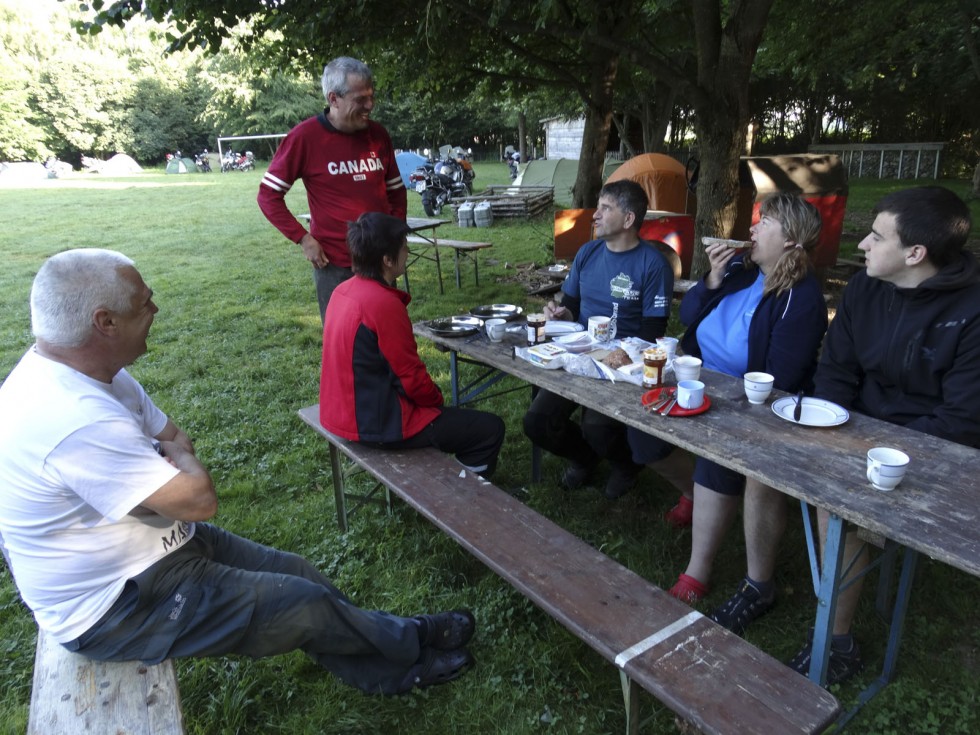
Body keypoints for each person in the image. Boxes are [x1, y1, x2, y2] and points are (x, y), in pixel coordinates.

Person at [0, 248, 475, 696]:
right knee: (301, 606)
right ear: (104, 322)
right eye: (145, 303)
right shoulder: (70, 416)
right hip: (116, 603)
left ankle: (385, 662)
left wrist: (166, 468)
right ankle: (409, 645)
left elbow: (176, 438)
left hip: (161, 548)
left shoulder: (101, 373)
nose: (157, 309)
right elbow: (198, 497)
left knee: (297, 574)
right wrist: (171, 468)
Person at [787, 185, 980, 685]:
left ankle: (838, 641)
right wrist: (830, 427)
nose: (862, 246)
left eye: (875, 236)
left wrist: (867, 455)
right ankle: (755, 585)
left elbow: (962, 420)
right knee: (767, 467)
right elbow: (835, 372)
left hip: (933, 451)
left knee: (834, 500)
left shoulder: (973, 311)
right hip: (858, 426)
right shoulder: (865, 288)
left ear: (915, 254)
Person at [629, 194, 828, 627]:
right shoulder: (741, 272)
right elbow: (690, 316)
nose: (752, 229)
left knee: (719, 460)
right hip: (695, 374)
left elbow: (782, 376)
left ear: (792, 240)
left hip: (741, 398)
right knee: (641, 434)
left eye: (765, 223)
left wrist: (727, 397)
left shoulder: (801, 297)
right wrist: (713, 279)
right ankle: (691, 495)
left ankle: (697, 571)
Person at [522, 179, 675, 500]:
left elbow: (653, 332)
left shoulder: (653, 264)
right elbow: (572, 306)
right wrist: (560, 314)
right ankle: (584, 458)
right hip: (580, 354)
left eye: (605, 209)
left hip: (623, 364)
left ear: (629, 219)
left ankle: (625, 465)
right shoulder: (588, 253)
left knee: (597, 429)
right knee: (537, 422)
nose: (595, 215)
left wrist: (616, 353)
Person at [320, 213, 505, 477]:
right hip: (375, 425)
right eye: (403, 246)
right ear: (386, 260)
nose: (407, 251)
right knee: (490, 429)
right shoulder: (382, 305)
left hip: (340, 413)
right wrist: (436, 403)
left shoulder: (342, 291)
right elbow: (410, 378)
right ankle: (466, 497)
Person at [258, 57, 406, 322]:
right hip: (335, 264)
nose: (369, 106)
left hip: (380, 261)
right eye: (360, 99)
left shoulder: (378, 135)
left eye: (371, 97)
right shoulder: (305, 138)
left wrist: (395, 237)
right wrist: (303, 238)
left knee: (385, 336)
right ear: (334, 98)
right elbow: (268, 195)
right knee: (345, 340)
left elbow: (396, 190)